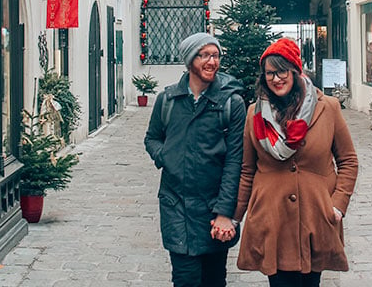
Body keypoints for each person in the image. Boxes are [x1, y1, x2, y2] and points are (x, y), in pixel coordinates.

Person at [233, 38, 358, 287]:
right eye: (270, 73)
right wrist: (235, 217)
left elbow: (348, 161)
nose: (276, 78)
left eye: (282, 71)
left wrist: (337, 205)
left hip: (316, 215)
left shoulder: (328, 108)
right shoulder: (254, 114)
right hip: (272, 218)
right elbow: (247, 170)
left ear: (295, 71)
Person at [144, 32, 247, 287]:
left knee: (213, 278)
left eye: (215, 55)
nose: (211, 61)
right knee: (185, 278)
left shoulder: (230, 103)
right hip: (175, 205)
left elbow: (235, 161)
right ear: (190, 61)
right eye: (204, 55)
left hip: (213, 207)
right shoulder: (168, 100)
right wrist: (166, 157)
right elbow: (152, 138)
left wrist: (225, 213)